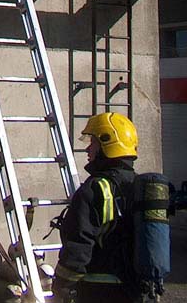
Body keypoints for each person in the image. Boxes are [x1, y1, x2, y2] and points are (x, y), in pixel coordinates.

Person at [52, 112, 141, 302]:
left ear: (107, 145)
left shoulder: (94, 189)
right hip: (133, 288)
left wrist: (61, 285)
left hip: (98, 290)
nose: (88, 149)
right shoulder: (138, 185)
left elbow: (79, 244)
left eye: (92, 143)